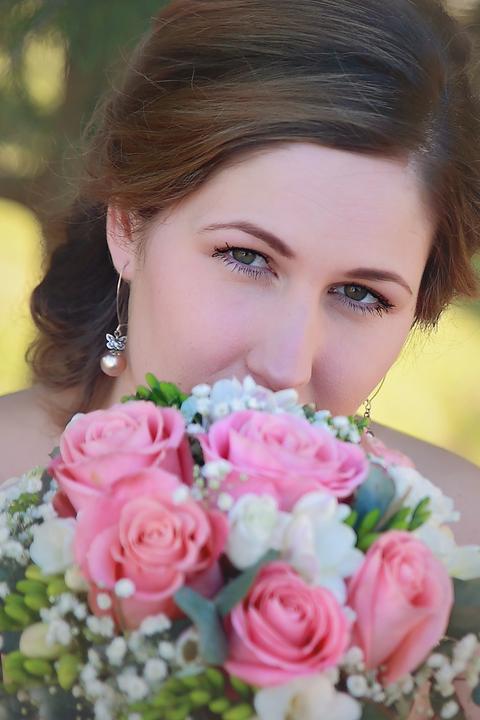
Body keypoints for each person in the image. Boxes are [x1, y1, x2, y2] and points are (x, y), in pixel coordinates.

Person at [0, 0, 479, 541]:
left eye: (360, 293)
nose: (286, 367)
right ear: (128, 224)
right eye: (246, 257)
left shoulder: (459, 545)